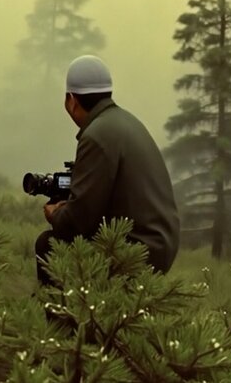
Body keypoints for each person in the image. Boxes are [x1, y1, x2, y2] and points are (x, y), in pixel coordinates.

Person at [36, 55, 180, 286]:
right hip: (160, 246)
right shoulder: (127, 122)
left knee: (48, 244)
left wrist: (56, 214)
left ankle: (59, 309)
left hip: (138, 252)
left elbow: (78, 221)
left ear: (71, 100)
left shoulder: (96, 135)